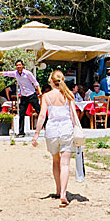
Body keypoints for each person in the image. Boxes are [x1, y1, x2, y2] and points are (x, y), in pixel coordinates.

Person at [32, 70, 79, 208]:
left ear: (51, 82)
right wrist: (76, 130)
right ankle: (63, 193)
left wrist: (36, 134)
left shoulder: (46, 96)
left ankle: (58, 189)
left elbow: (42, 116)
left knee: (56, 161)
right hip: (66, 130)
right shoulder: (69, 95)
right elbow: (73, 115)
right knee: (65, 164)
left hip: (52, 131)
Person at [0, 60, 41, 137]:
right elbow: (4, 73)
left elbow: (36, 83)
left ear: (23, 65)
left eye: (20, 65)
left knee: (39, 111)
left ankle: (47, 128)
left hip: (31, 95)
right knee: (21, 114)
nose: (18, 66)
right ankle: (21, 132)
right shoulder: (15, 73)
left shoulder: (28, 73)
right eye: (17, 65)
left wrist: (40, 93)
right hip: (24, 96)